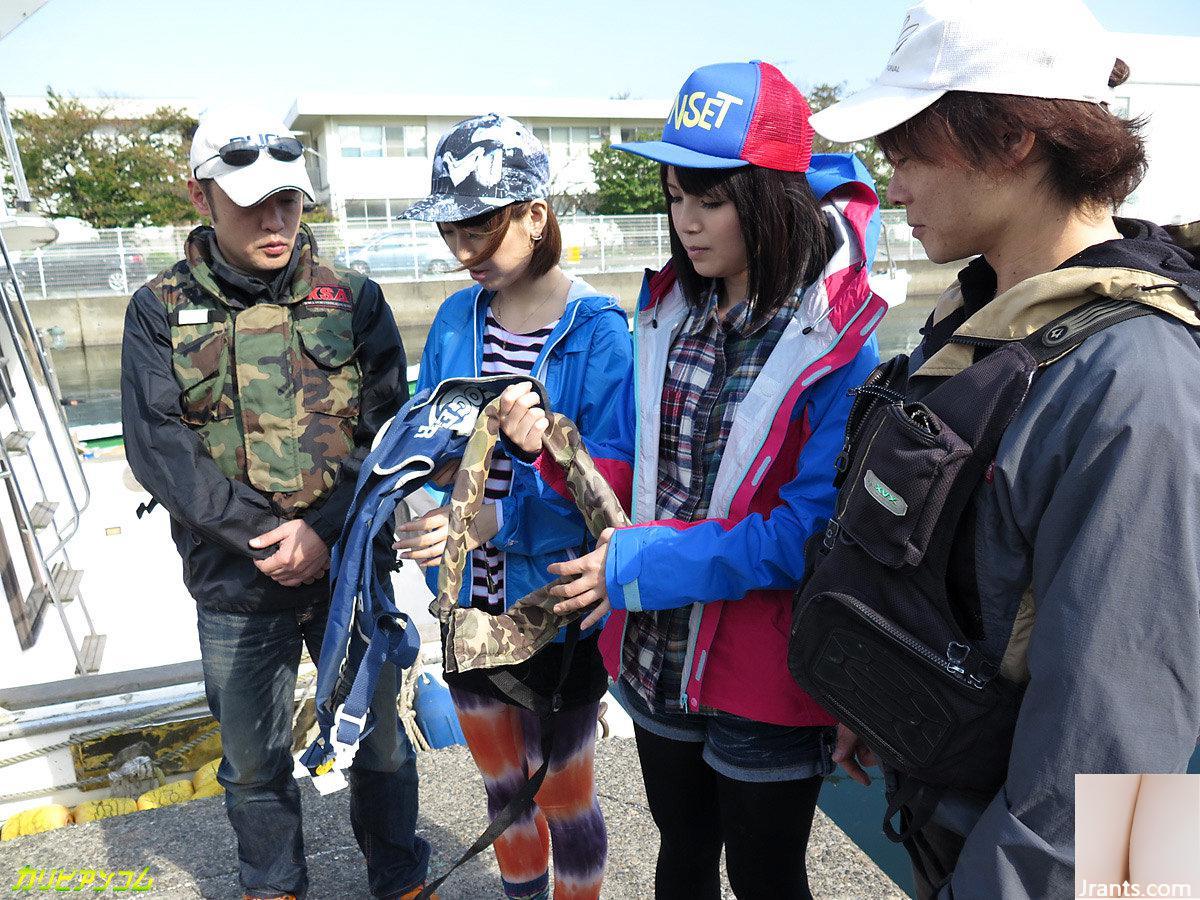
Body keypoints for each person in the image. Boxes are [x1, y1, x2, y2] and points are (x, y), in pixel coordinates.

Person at [806, 0, 1200, 896]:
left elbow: (1136, 757)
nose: (891, 186)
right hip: (950, 820)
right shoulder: (985, 318)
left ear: (1013, 138)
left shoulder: (1140, 380)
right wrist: (884, 697)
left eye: (906, 151)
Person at [498, 62, 885, 898]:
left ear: (771, 196)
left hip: (763, 667)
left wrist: (636, 568)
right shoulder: (671, 310)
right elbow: (636, 472)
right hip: (653, 652)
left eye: (709, 200)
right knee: (681, 850)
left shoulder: (842, 344)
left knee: (765, 871)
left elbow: (803, 532)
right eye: (675, 197)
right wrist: (549, 452)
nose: (687, 222)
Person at [121, 108, 430, 900]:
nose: (276, 219)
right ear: (201, 197)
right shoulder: (157, 308)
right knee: (252, 764)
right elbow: (159, 448)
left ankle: (400, 881)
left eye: (289, 199)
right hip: (234, 579)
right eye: (254, 201)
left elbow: (390, 431)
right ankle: (274, 886)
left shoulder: (353, 299)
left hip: (349, 570)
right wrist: (267, 535)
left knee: (383, 745)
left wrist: (325, 533)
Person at [393, 113, 633, 900]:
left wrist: (497, 516)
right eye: (451, 232)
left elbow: (612, 490)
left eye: (480, 231)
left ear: (536, 215)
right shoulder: (457, 318)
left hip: (552, 603)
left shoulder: (598, 331)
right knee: (501, 790)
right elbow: (431, 442)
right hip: (464, 602)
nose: (463, 254)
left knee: (563, 799)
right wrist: (418, 507)